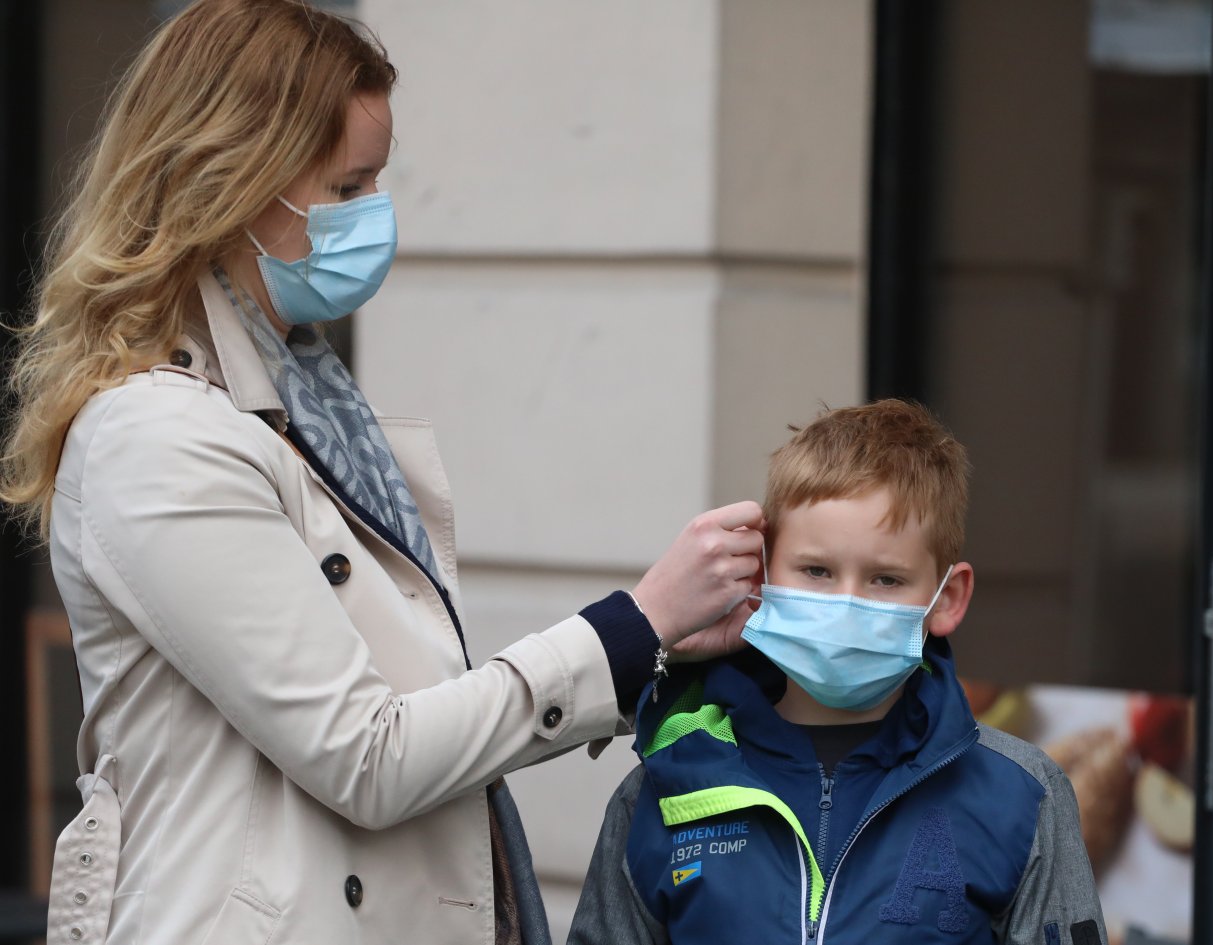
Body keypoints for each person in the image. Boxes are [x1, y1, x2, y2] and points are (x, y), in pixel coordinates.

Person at [0, 2, 762, 943]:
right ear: (234, 180)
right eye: (348, 184)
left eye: (377, 180)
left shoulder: (302, 400)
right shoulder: (159, 438)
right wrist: (626, 627)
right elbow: (367, 754)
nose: (375, 215)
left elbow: (409, 705)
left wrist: (652, 643)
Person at [568, 400, 1107, 945]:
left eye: (886, 580)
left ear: (948, 598)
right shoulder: (665, 785)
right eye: (816, 570)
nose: (846, 603)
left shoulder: (1021, 793)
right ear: (760, 575)